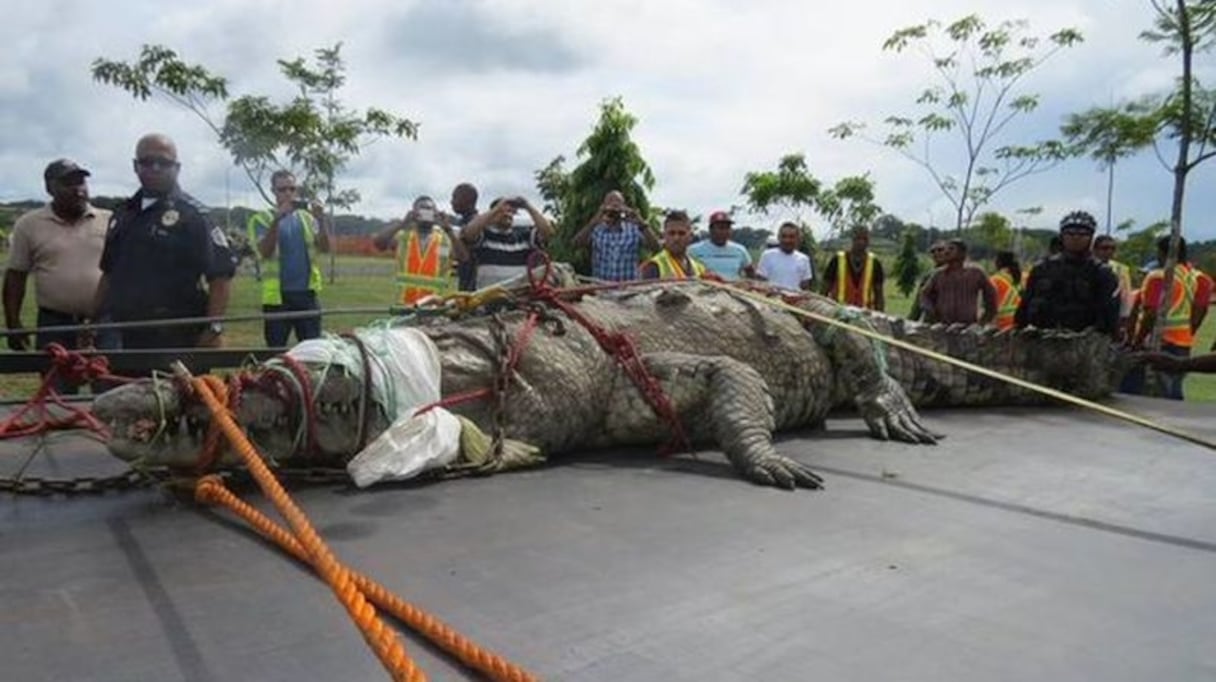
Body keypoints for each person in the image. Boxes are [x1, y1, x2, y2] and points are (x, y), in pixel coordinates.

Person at [92, 133, 237, 349]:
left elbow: (220, 278)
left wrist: (213, 328)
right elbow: (109, 273)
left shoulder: (194, 215)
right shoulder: (123, 213)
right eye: (147, 162)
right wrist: (93, 320)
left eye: (164, 162)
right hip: (123, 333)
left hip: (176, 334)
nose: (156, 168)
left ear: (177, 168)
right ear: (135, 166)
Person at [4, 160, 119, 393]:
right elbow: (16, 277)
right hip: (54, 325)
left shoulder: (110, 220)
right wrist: (14, 323)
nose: (79, 189)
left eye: (81, 181)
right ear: (49, 188)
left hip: (103, 324)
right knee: (57, 398)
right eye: (68, 183)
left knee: (111, 395)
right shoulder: (29, 225)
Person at [246, 170, 330, 347]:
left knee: (313, 351)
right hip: (277, 298)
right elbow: (265, 252)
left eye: (292, 189)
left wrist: (321, 220)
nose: (288, 194)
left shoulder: (307, 218)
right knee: (275, 352)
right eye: (282, 189)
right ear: (273, 191)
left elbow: (325, 248)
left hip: (307, 295)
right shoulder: (261, 219)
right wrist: (277, 220)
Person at [1127, 235, 1213, 400]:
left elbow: (1150, 313)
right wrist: (1189, 332)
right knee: (1173, 388)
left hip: (1156, 342)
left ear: (1161, 253)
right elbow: (1201, 311)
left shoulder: (1159, 276)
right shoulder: (1199, 278)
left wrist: (1137, 342)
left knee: (1137, 391)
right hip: (1182, 341)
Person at [1014, 210, 1118, 336]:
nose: (1076, 238)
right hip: (1041, 341)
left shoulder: (1102, 273)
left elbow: (1110, 318)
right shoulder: (1042, 268)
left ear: (1091, 237)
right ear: (1062, 236)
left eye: (1082, 234)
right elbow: (1024, 307)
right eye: (1070, 233)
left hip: (1084, 344)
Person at [374, 195, 468, 306]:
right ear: (414, 212)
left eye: (430, 209)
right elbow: (379, 243)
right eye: (422, 209)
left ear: (436, 213)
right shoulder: (403, 236)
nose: (426, 212)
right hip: (404, 305)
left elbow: (463, 258)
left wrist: (448, 229)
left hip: (434, 307)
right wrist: (402, 224)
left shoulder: (445, 238)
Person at [459, 195, 553, 289]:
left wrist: (528, 206)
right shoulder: (484, 235)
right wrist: (497, 208)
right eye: (503, 211)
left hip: (518, 298)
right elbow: (468, 234)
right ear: (492, 214)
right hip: (488, 298)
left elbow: (547, 233)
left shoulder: (524, 236)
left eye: (511, 212)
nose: (508, 214)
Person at [573, 190, 659, 281]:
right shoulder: (596, 230)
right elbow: (576, 244)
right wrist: (594, 221)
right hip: (601, 290)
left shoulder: (634, 229)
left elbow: (656, 247)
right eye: (610, 203)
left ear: (624, 207)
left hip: (629, 290)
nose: (614, 209)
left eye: (617, 204)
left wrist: (641, 223)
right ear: (603, 207)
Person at [918, 239, 998, 325]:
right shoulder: (938, 275)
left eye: (951, 249)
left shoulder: (976, 273)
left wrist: (986, 318)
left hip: (967, 327)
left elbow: (991, 295)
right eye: (945, 249)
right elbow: (924, 295)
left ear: (962, 253)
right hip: (942, 326)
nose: (946, 251)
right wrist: (930, 311)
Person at [822, 226, 884, 310]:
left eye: (865, 239)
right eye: (858, 238)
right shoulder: (837, 259)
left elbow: (879, 294)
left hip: (864, 314)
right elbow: (824, 289)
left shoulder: (874, 263)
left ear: (868, 241)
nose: (861, 242)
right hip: (838, 313)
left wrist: (880, 315)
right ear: (853, 239)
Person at [639, 211, 709, 280]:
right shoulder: (653, 266)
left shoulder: (700, 268)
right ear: (664, 236)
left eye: (681, 233)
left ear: (690, 237)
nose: (676, 238)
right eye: (671, 233)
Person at [687, 210, 755, 281]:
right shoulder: (694, 250)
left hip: (734, 289)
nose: (724, 232)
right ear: (711, 229)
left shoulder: (740, 250)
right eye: (721, 228)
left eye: (727, 228)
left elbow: (750, 272)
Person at [1092, 234, 1134, 339]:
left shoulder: (1121, 269)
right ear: (1095, 250)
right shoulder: (1087, 267)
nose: (1109, 251)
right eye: (1105, 248)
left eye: (1112, 248)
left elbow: (1126, 298)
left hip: (1111, 319)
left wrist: (1123, 324)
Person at [756, 222, 814, 291]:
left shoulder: (804, 259)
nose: (787, 240)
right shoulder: (767, 255)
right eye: (784, 236)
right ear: (779, 238)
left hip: (793, 299)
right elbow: (760, 282)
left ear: (798, 239)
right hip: (769, 299)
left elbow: (805, 287)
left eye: (791, 237)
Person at [908, 240, 950, 321]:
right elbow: (918, 301)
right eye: (933, 251)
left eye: (940, 249)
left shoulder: (960, 272)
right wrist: (910, 321)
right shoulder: (928, 276)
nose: (936, 253)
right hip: (932, 319)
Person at [449, 182, 480, 291]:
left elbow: (465, 257)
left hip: (473, 285)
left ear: (467, 199)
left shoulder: (474, 225)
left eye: (455, 197)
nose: (451, 202)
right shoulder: (462, 222)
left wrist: (449, 231)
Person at [989, 251, 1022, 331]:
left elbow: (990, 306)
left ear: (1000, 262)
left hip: (1003, 326)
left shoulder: (995, 280)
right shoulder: (1024, 277)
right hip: (1021, 324)